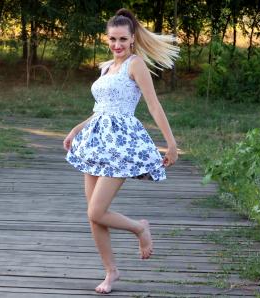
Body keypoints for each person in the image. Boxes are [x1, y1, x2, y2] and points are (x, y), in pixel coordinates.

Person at [63, 8, 179, 294]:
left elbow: (153, 105)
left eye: (122, 39)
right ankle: (111, 271)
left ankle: (140, 228)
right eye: (112, 39)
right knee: (93, 215)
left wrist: (171, 143)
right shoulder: (105, 68)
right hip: (96, 141)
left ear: (132, 39)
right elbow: (100, 110)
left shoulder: (135, 64)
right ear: (107, 39)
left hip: (121, 144)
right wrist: (77, 129)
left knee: (97, 210)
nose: (117, 44)